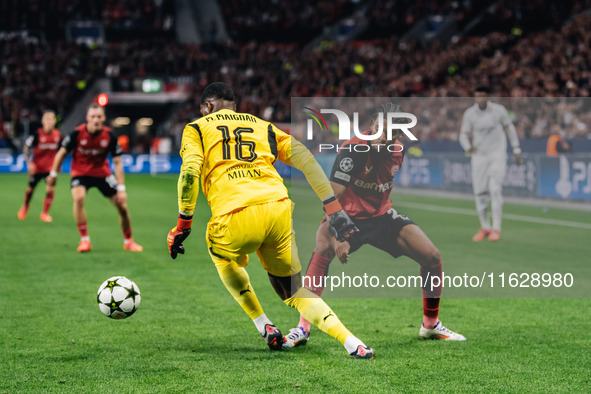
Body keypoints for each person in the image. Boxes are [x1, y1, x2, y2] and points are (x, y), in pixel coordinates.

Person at [167, 82, 374, 358]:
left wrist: (183, 224)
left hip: (234, 213)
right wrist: (333, 208)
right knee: (294, 291)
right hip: (277, 208)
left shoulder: (196, 128)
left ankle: (263, 324)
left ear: (206, 107)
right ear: (235, 108)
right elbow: (306, 159)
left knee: (219, 252)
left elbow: (190, 171)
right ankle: (352, 342)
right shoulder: (260, 125)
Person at [284, 103, 466, 348]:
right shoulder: (353, 151)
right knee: (322, 247)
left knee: (432, 257)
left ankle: (430, 325)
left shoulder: (398, 151)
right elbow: (330, 196)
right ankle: (302, 329)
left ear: (399, 136)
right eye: (380, 128)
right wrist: (338, 234)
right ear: (372, 125)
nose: (384, 135)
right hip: (346, 217)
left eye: (392, 132)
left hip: (381, 217)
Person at [47, 104, 143, 253]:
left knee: (122, 207)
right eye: (93, 117)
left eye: (99, 116)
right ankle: (85, 240)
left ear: (103, 118)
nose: (96, 120)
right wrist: (53, 174)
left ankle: (128, 241)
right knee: (78, 199)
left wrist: (122, 188)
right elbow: (61, 153)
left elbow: (118, 163)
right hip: (80, 173)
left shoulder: (110, 136)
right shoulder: (77, 134)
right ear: (87, 118)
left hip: (102, 174)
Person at [459, 87, 522, 242]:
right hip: (479, 157)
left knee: (494, 189)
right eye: (477, 96)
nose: (480, 98)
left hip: (497, 154)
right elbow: (463, 135)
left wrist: (516, 149)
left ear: (487, 97)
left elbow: (510, 130)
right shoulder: (470, 114)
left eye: (482, 95)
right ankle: (485, 227)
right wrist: (468, 147)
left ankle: (496, 228)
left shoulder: (499, 111)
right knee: (480, 193)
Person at [18, 110, 62, 222]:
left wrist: (58, 165)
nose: (49, 121)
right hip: (37, 168)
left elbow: (61, 151)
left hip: (50, 168)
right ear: (42, 121)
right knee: (30, 189)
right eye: (47, 119)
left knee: (50, 189)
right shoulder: (37, 134)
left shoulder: (58, 135)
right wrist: (29, 163)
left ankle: (45, 213)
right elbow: (26, 148)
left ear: (54, 121)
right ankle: (25, 207)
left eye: (51, 119)